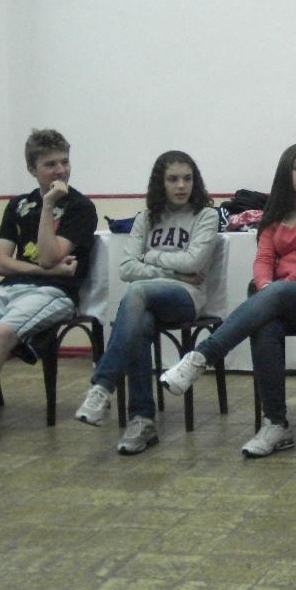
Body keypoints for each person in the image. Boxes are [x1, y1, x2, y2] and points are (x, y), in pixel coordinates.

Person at [160, 142, 296, 457]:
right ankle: (276, 424)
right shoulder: (275, 215)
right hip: (281, 298)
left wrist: (278, 289)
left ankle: (201, 357)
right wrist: (266, 287)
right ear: (285, 173)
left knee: (274, 297)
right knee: (264, 323)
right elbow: (263, 259)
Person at [73, 151, 218, 454]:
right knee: (140, 320)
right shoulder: (146, 218)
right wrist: (170, 269)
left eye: (187, 179)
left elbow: (194, 262)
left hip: (186, 298)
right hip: (148, 299)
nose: (181, 185)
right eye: (173, 179)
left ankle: (103, 385)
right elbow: (126, 268)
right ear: (160, 183)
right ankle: (142, 421)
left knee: (137, 293)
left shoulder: (206, 215)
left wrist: (150, 257)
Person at [0, 129, 97, 455]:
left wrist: (49, 205)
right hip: (11, 288)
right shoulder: (18, 205)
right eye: (50, 164)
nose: (60, 170)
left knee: (1, 334)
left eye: (64, 162)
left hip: (55, 293)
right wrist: (46, 269)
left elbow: (49, 255)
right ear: (32, 169)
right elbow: (1, 263)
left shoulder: (80, 207)